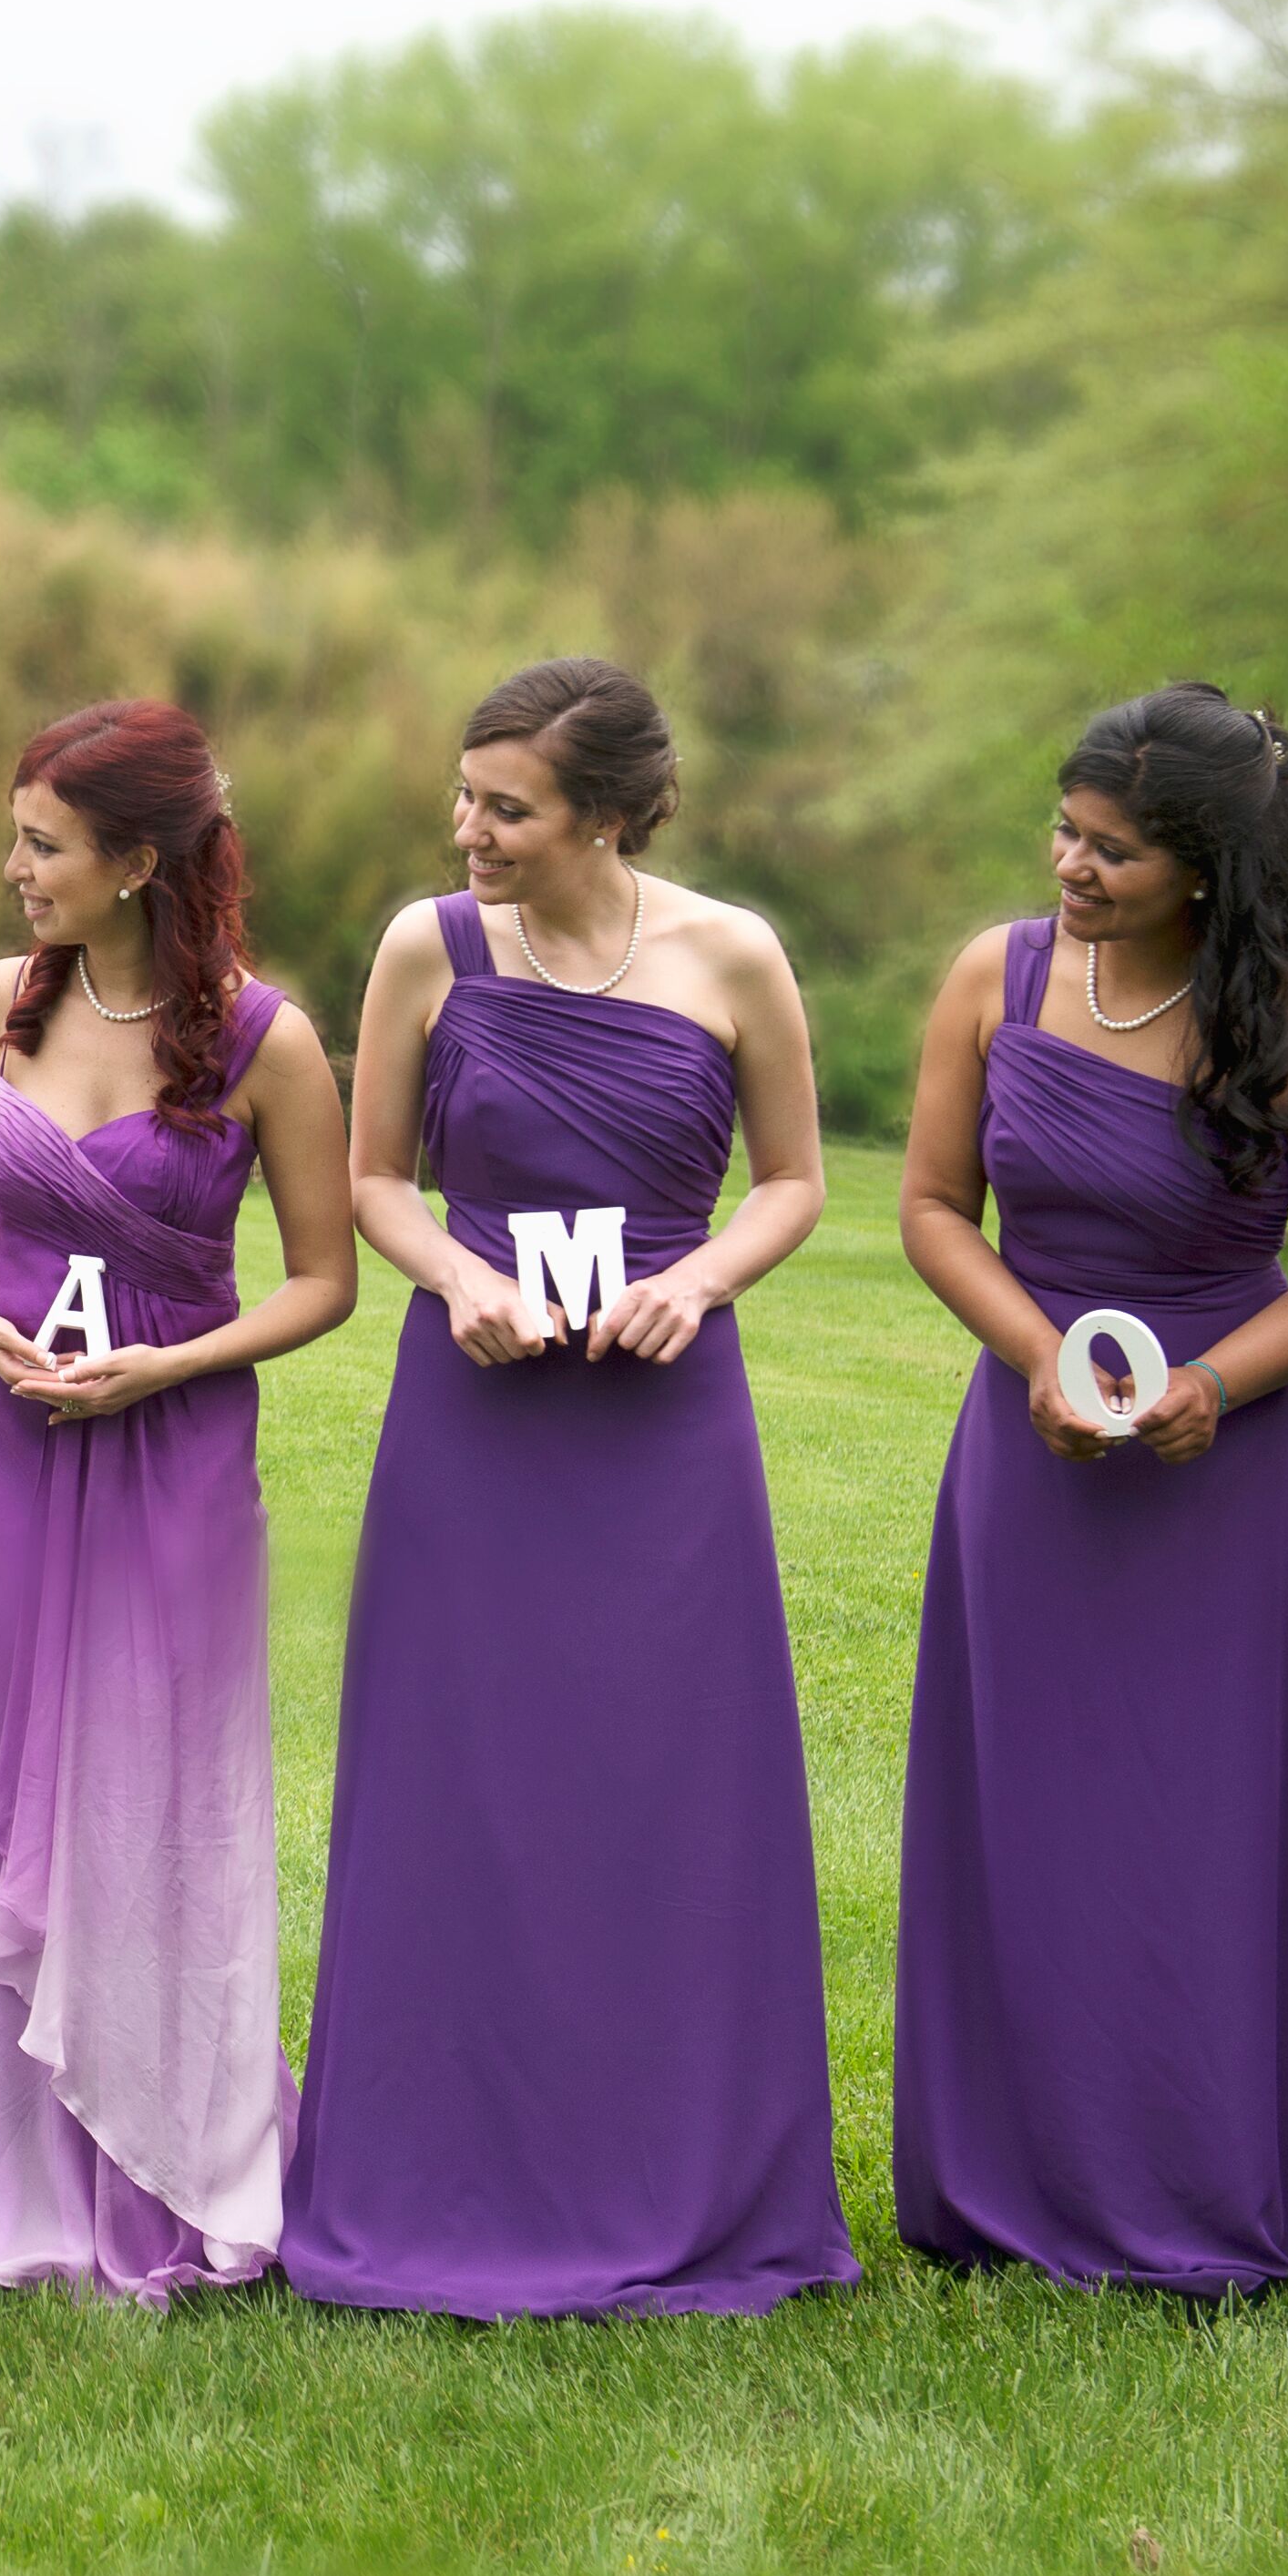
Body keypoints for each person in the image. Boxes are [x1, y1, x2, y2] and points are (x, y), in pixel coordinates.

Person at [281, 655, 854, 2319]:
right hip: (479, 1405)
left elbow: (798, 1179)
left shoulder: (733, 952)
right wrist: (457, 1275)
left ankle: (676, 2170)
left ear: (606, 815)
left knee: (665, 1791)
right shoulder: (425, 948)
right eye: (463, 797)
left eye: (506, 808)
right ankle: (434, 2168)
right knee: (460, 1780)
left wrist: (708, 1280)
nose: (468, 829)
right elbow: (374, 1177)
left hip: (665, 1418)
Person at [888, 684, 1288, 2294]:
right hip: (1029, 1449)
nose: (1072, 865)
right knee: (1021, 1814)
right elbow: (929, 1206)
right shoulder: (1000, 975)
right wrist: (1036, 1355)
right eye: (1066, 829)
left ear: (1208, 866)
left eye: (1113, 849)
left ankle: (1208, 2170)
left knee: (1201, 1822)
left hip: (1219, 1470)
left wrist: (1223, 1383)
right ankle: (1002, 2178)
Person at [0, 700, 352, 2300]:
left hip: (175, 1442)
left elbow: (325, 1279)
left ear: (139, 860)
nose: (13, 868)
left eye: (44, 843)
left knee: (157, 1788)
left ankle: (174, 2154)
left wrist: (172, 1367)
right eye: (16, 835)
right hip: (0, 1431)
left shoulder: (269, 1039)